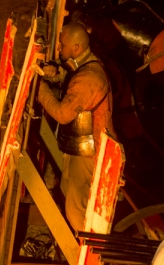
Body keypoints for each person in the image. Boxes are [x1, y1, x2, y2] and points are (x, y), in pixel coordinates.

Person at [36, 22, 115, 232]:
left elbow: (63, 114)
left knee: (76, 209)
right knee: (66, 191)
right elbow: (72, 79)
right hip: (80, 146)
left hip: (90, 152)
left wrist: (40, 90)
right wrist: (55, 74)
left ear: (76, 48)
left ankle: (88, 254)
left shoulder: (89, 78)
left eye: (62, 45)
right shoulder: (86, 65)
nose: (59, 49)